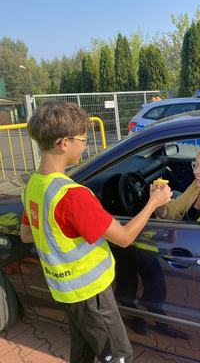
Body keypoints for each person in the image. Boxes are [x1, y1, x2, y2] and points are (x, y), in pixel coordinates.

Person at [20, 101, 172, 363]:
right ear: (63, 143)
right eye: (82, 139)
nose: (86, 145)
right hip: (92, 295)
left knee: (83, 349)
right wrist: (153, 203)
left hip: (66, 290)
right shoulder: (73, 196)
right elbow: (124, 238)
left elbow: (26, 234)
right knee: (118, 354)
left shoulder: (33, 185)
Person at [154, 143, 200, 222]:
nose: (196, 171)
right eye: (196, 164)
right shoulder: (197, 185)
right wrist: (157, 203)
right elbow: (175, 209)